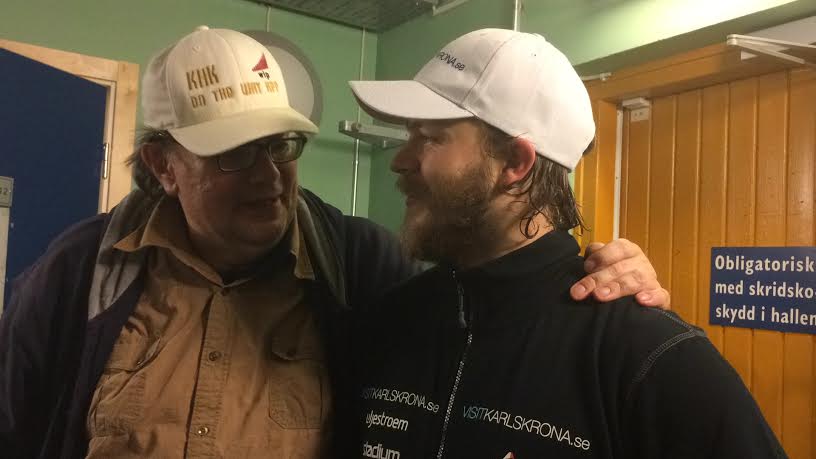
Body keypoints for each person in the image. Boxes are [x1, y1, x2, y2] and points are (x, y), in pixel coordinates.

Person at [0, 27, 667, 459]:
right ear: (163, 165)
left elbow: (493, 312)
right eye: (233, 152)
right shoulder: (79, 274)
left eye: (281, 144)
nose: (269, 176)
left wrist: (601, 276)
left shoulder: (360, 266)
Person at [348, 28, 786, 458]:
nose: (400, 161)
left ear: (514, 162)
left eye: (429, 138)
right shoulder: (391, 321)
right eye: (410, 136)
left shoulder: (649, 356)